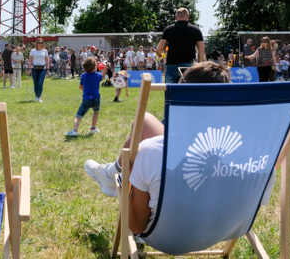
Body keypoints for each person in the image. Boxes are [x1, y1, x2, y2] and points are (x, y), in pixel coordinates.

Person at [84, 62, 232, 233]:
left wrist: (123, 187)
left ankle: (113, 175)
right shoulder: (253, 153)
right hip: (224, 229)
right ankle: (111, 173)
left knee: (144, 121)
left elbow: (136, 226)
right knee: (146, 121)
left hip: (165, 236)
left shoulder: (152, 151)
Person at [156, 8, 205, 83]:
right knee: (188, 92)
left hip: (172, 64)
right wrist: (199, 65)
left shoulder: (168, 29)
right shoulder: (196, 30)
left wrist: (160, 54)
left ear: (176, 17)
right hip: (189, 65)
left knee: (170, 91)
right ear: (188, 16)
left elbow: (160, 49)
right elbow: (201, 50)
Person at [64, 57, 103, 136]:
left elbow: (80, 86)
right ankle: (93, 128)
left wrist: (83, 90)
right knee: (96, 113)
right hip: (96, 98)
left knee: (78, 116)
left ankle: (75, 130)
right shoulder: (98, 75)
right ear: (95, 67)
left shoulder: (83, 76)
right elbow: (102, 76)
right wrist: (105, 67)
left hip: (86, 99)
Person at [28, 38, 50, 102]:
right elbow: (30, 60)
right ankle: (36, 97)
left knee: (40, 83)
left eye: (41, 43)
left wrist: (48, 69)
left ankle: (39, 97)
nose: (40, 44)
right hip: (34, 68)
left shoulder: (45, 51)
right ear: (36, 43)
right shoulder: (33, 51)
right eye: (39, 42)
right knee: (35, 83)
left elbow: (47, 60)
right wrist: (29, 69)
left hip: (43, 69)